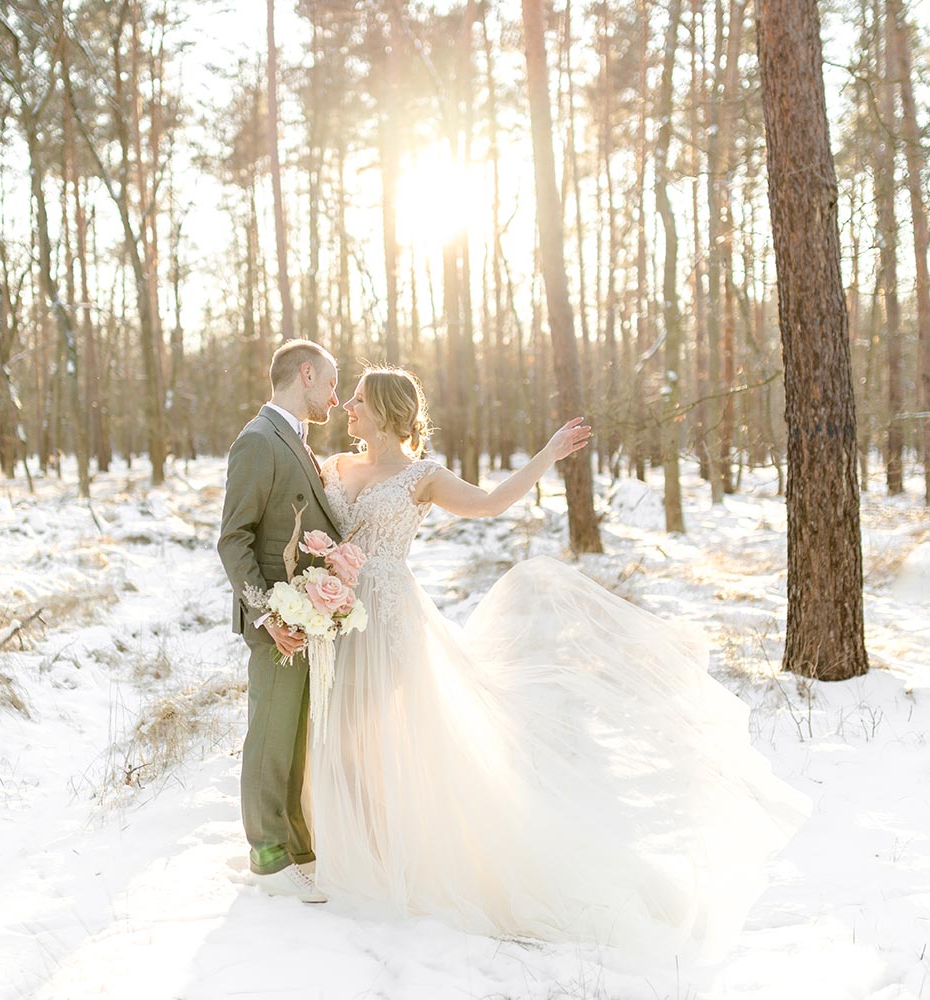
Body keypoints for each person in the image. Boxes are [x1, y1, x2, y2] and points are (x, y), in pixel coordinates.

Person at [308, 366, 809, 958]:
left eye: (359, 401)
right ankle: (344, 843)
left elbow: (492, 503)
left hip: (390, 616)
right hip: (332, 610)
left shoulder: (424, 477)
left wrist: (547, 453)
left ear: (389, 411)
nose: (348, 410)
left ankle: (391, 851)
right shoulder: (332, 466)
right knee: (334, 730)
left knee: (380, 732)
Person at [216, 340, 341, 904]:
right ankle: (266, 856)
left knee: (293, 738)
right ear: (306, 374)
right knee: (270, 735)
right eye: (332, 385)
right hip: (277, 622)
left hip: (305, 617)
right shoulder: (257, 440)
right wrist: (265, 613)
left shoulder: (295, 440)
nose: (336, 400)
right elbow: (234, 538)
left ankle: (297, 848)